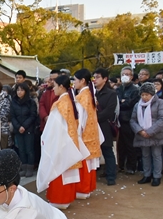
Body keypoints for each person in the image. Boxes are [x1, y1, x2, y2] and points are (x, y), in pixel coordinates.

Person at [38, 75, 89, 209]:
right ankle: (65, 198)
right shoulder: (69, 101)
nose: (53, 89)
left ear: (61, 86)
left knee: (59, 170)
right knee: (66, 172)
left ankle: (59, 199)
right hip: (69, 142)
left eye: (54, 86)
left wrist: (47, 140)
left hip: (60, 142)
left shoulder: (60, 104)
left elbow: (54, 127)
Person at [131, 82, 163, 186]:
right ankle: (147, 175)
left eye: (147, 95)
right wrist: (140, 131)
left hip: (156, 134)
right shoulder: (137, 105)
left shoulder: (160, 103)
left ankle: (157, 176)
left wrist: (150, 131)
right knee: (145, 155)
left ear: (152, 94)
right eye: (142, 95)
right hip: (142, 134)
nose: (144, 97)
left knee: (156, 154)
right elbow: (133, 120)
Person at [72, 69, 102, 198]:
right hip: (92, 132)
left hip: (83, 134)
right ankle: (87, 188)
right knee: (89, 164)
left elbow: (80, 119)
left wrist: (76, 134)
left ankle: (83, 190)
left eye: (75, 80)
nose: (73, 83)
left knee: (84, 162)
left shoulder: (81, 97)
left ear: (83, 81)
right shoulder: (90, 94)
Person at [93, 68, 119, 185]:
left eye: (98, 77)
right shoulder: (92, 92)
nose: (95, 79)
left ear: (105, 79)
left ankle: (111, 176)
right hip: (93, 126)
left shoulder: (111, 93)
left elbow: (109, 111)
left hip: (105, 126)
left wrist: (94, 118)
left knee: (107, 150)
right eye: (94, 77)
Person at [9, 81, 39, 175]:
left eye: (22, 90)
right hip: (18, 129)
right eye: (18, 90)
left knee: (29, 149)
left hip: (29, 129)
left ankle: (30, 168)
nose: (19, 92)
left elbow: (32, 115)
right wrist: (18, 127)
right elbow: (12, 116)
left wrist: (24, 126)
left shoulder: (31, 102)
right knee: (21, 149)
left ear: (26, 91)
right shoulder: (14, 102)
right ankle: (24, 167)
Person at [116, 67, 141, 174]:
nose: (125, 76)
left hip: (129, 119)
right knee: (120, 145)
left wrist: (122, 102)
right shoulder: (118, 89)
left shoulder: (136, 90)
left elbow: (130, 103)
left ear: (131, 76)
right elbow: (116, 102)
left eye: (128, 74)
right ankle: (120, 165)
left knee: (130, 144)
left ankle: (131, 166)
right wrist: (121, 102)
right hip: (118, 120)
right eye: (123, 74)